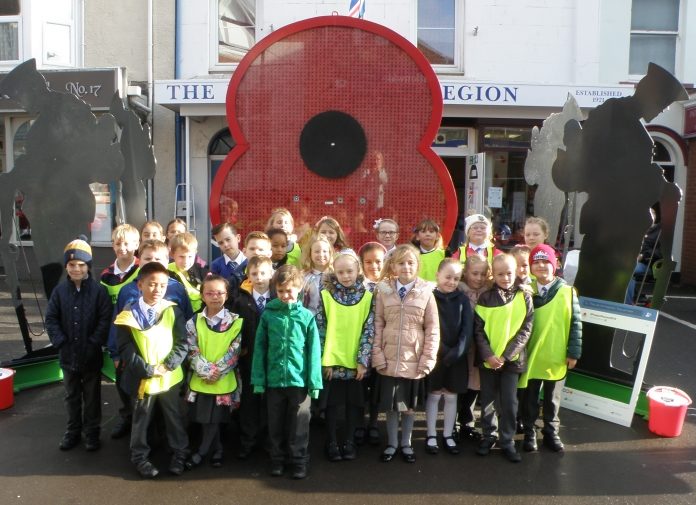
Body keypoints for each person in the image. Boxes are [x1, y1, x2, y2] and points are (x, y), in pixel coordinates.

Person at [108, 239, 193, 440]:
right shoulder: (127, 290)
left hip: (168, 365)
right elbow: (118, 325)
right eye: (147, 258)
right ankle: (143, 444)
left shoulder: (177, 289)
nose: (152, 261)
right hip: (139, 362)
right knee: (141, 411)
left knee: (170, 411)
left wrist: (174, 362)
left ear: (167, 260)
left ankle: (170, 445)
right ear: (140, 260)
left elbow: (187, 324)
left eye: (158, 258)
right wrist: (116, 353)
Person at [115, 261, 190, 478]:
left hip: (168, 377)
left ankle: (180, 454)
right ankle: (140, 458)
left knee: (175, 417)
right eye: (152, 284)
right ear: (140, 285)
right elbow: (125, 347)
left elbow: (182, 342)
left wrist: (168, 365)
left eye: (162, 285)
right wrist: (147, 369)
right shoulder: (127, 314)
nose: (157, 289)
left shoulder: (172, 311)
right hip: (142, 379)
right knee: (141, 420)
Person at [251, 265, 323, 479]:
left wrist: (314, 383)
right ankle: (277, 459)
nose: (285, 295)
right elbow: (260, 349)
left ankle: (299, 460)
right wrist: (259, 380)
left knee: (299, 425)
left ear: (300, 289)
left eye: (289, 290)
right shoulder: (268, 315)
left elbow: (313, 352)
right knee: (275, 423)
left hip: (299, 382)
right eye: (281, 291)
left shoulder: (307, 317)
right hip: (274, 382)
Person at [372, 244, 440, 464]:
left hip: (414, 359)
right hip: (388, 358)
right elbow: (377, 324)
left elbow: (432, 328)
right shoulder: (383, 291)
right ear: (393, 265)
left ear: (417, 265)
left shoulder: (426, 292)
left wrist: (428, 359)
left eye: (411, 262)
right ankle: (392, 443)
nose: (406, 267)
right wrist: (377, 355)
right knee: (392, 407)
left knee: (409, 407)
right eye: (401, 263)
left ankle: (406, 443)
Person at [46, 238, 112, 451]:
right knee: (71, 396)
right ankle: (73, 431)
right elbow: (51, 319)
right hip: (68, 355)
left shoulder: (98, 291)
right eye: (72, 265)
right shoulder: (59, 292)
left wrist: (94, 342)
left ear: (88, 267)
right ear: (66, 266)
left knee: (92, 397)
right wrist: (60, 342)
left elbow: (104, 319)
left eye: (82, 265)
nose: (77, 269)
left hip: (91, 355)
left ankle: (92, 433)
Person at [520, 244, 582, 453]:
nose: (541, 266)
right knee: (529, 398)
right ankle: (529, 432)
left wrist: (573, 352)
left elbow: (576, 323)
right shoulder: (526, 291)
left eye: (545, 262)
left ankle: (550, 431)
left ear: (554, 265)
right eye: (536, 263)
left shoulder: (567, 291)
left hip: (556, 356)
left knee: (552, 398)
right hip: (532, 355)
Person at [315, 250, 374, 462]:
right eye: (340, 272)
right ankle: (331, 441)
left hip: (355, 365)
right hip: (332, 364)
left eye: (350, 271)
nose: (346, 276)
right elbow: (320, 330)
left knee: (353, 405)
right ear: (335, 273)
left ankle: (348, 441)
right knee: (331, 405)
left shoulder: (368, 297)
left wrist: (362, 361)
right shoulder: (326, 295)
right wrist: (325, 361)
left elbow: (369, 331)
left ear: (358, 270)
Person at [474, 254, 533, 463]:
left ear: (516, 271)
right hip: (488, 361)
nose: (505, 277)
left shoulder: (525, 296)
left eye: (509, 273)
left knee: (509, 402)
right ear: (494, 274)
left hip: (512, 361)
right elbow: (478, 331)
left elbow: (526, 329)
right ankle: (488, 435)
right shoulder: (485, 298)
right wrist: (489, 355)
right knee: (488, 400)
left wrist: (506, 355)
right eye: (500, 274)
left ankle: (507, 441)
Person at [185, 275, 247, 469]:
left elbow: (234, 351)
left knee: (216, 417)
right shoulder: (193, 321)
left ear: (227, 295)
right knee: (206, 417)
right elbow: (191, 348)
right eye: (209, 293)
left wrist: (217, 371)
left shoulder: (235, 321)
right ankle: (217, 450)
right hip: (202, 377)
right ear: (202, 296)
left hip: (224, 378)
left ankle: (202, 452)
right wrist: (206, 370)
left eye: (219, 292)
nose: (215, 297)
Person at [425, 259, 472, 456]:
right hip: (435, 356)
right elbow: (426, 326)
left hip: (456, 358)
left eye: (456, 278)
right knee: (434, 395)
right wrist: (441, 350)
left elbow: (467, 330)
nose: (451, 281)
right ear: (437, 275)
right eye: (448, 277)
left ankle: (447, 434)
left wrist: (455, 353)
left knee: (452, 396)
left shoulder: (462, 300)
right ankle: (430, 434)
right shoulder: (429, 297)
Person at [230, 255, 275, 460]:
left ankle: (268, 440)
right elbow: (234, 330)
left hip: (272, 360)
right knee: (249, 401)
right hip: (248, 360)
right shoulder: (240, 301)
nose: (259, 277)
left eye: (263, 273)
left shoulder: (277, 299)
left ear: (272, 274)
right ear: (248, 275)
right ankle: (248, 440)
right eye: (254, 273)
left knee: (269, 402)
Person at [356, 241, 387, 445]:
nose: (374, 266)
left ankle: (374, 422)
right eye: (368, 262)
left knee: (377, 385)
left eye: (378, 262)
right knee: (360, 385)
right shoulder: (358, 286)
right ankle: (359, 423)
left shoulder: (389, 286)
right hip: (361, 344)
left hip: (383, 343)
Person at [457, 255, 491, 441]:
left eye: (483, 274)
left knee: (474, 385)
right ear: (465, 273)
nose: (479, 278)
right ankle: (453, 421)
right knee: (458, 384)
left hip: (479, 347)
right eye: (475, 273)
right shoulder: (458, 290)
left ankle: (467, 422)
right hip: (462, 346)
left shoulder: (489, 292)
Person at [625, 209, 661, 305]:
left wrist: (644, 255)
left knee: (626, 270)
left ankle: (627, 304)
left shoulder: (660, 232)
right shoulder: (639, 229)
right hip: (632, 259)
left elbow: (662, 253)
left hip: (649, 264)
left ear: (654, 216)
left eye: (651, 214)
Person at [168, 232, 209, 312]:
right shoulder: (166, 271)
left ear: (195, 253)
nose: (186, 261)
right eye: (181, 257)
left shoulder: (201, 269)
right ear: (172, 254)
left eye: (190, 256)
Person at [100, 224, 140, 305]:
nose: (122, 248)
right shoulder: (106, 275)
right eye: (118, 244)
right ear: (113, 246)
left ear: (136, 245)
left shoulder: (142, 269)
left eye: (126, 244)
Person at [301, 233, 334, 315]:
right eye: (317, 251)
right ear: (310, 254)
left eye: (325, 251)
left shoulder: (335, 276)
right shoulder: (304, 277)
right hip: (310, 319)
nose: (321, 255)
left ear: (330, 253)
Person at [210, 222, 246, 290]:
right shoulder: (216, 265)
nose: (225, 245)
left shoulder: (249, 262)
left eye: (228, 239)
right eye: (221, 243)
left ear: (238, 238)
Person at [411, 218, 447, 283]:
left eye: (431, 231)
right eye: (423, 231)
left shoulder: (445, 255)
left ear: (437, 236)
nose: (427, 234)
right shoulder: (411, 255)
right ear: (417, 236)